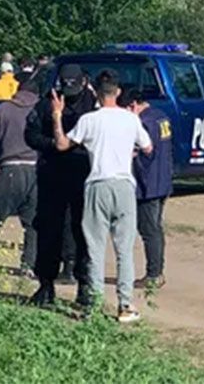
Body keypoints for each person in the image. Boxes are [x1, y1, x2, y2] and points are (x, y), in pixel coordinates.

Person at [52, 70, 152, 323]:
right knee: (124, 249)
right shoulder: (130, 120)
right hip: (124, 186)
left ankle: (94, 305)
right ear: (118, 92)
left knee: (95, 248)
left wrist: (56, 116)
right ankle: (125, 304)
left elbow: (63, 144)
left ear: (96, 92)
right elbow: (148, 147)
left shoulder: (89, 120)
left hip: (97, 184)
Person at [25, 63, 97, 306]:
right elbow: (31, 135)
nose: (70, 93)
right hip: (52, 173)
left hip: (82, 173)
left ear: (83, 82)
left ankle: (84, 285)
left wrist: (73, 145)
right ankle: (46, 285)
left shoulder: (93, 105)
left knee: (82, 230)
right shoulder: (47, 103)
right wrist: (52, 144)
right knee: (48, 228)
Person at [0, 78, 41, 272]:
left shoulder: (4, 109)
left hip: (9, 167)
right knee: (34, 222)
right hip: (35, 169)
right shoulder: (42, 109)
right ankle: (28, 265)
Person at [120, 88, 173, 290]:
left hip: (147, 184)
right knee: (156, 228)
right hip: (162, 181)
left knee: (149, 230)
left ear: (133, 105)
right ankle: (156, 270)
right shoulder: (162, 117)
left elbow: (141, 153)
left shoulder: (142, 122)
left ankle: (154, 273)